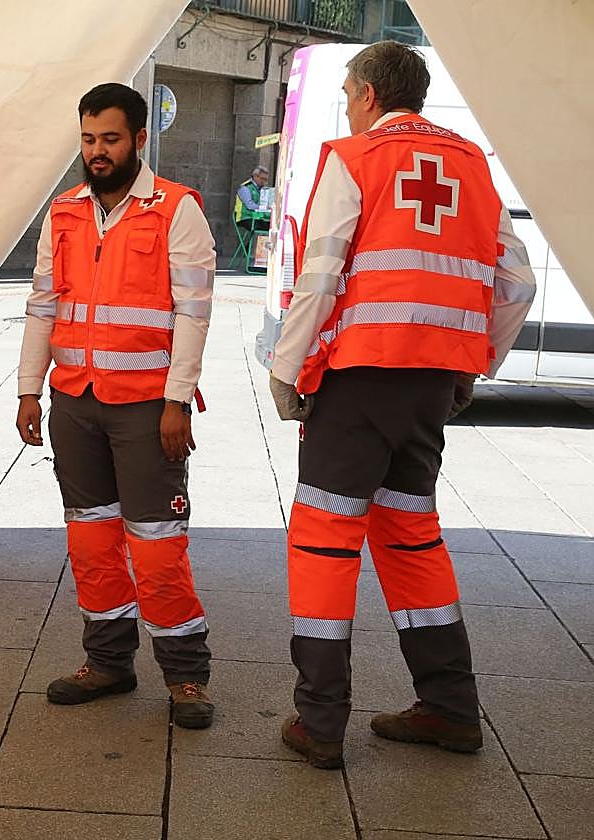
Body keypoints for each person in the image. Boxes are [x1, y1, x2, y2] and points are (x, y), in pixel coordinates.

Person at [268, 41, 536, 768]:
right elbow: (517, 282)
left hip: (359, 380)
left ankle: (320, 720)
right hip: (429, 387)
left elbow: (321, 274)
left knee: (324, 540)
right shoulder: (472, 163)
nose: (347, 108)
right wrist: (473, 361)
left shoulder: (357, 159)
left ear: (367, 95)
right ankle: (450, 708)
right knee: (411, 535)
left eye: (347, 95)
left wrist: (286, 369)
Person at [15, 83, 218, 729]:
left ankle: (185, 676)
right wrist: (28, 387)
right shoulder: (64, 212)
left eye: (110, 139)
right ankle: (107, 662)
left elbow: (194, 312)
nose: (97, 151)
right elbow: (42, 305)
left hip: (146, 406)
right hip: (75, 400)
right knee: (92, 540)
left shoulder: (176, 209)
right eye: (88, 139)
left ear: (138, 139)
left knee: (157, 545)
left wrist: (177, 399)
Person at [234, 165, 271, 232]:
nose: (264, 182)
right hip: (245, 218)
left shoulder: (260, 189)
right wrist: (264, 207)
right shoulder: (245, 188)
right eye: (262, 178)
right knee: (269, 227)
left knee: (272, 225)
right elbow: (250, 205)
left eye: (265, 180)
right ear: (255, 176)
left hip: (256, 217)